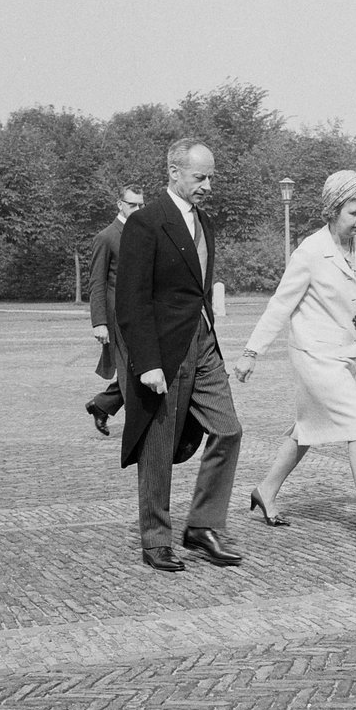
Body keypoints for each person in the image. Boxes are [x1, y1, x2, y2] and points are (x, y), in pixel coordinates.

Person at [233, 170, 356, 545]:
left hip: (344, 353)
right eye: (354, 212)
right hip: (313, 354)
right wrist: (251, 352)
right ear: (332, 210)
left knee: (306, 429)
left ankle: (266, 489)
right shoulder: (310, 252)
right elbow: (280, 304)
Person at [115, 141, 243, 573]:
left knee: (228, 429)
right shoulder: (146, 223)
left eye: (211, 178)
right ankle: (155, 540)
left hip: (203, 343)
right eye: (199, 177)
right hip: (163, 349)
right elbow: (131, 301)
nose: (208, 186)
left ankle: (203, 526)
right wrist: (148, 362)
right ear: (173, 172)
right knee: (158, 443)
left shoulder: (205, 222)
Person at [84, 185, 145, 436]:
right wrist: (99, 322)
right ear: (120, 204)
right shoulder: (106, 237)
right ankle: (139, 429)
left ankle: (101, 404)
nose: (138, 209)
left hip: (142, 314)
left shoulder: (144, 233)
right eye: (132, 205)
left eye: (141, 205)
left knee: (142, 366)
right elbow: (97, 282)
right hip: (118, 317)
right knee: (132, 369)